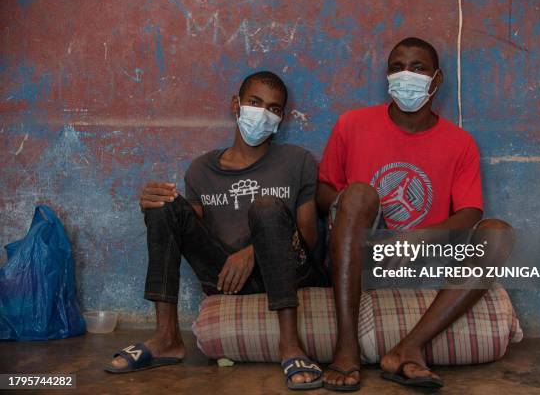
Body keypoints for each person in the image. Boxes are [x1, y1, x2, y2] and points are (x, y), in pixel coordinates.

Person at [105, 71, 328, 390]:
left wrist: (253, 252)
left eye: (274, 108)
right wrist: (155, 209)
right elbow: (190, 233)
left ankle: (290, 346)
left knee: (266, 206)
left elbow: (309, 236)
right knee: (163, 204)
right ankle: (167, 338)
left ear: (282, 117)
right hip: (227, 278)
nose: (263, 113)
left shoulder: (298, 161)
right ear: (236, 105)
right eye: (254, 102)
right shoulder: (201, 169)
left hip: (289, 269)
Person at [317, 37, 514, 390]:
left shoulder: (460, 142)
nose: (406, 74)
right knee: (359, 193)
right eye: (397, 67)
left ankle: (409, 347)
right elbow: (323, 192)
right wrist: (357, 214)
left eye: (417, 67)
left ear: (436, 81)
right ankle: (346, 346)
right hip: (362, 257)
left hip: (423, 260)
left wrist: (418, 238)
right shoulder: (352, 125)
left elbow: (469, 213)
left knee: (498, 232)